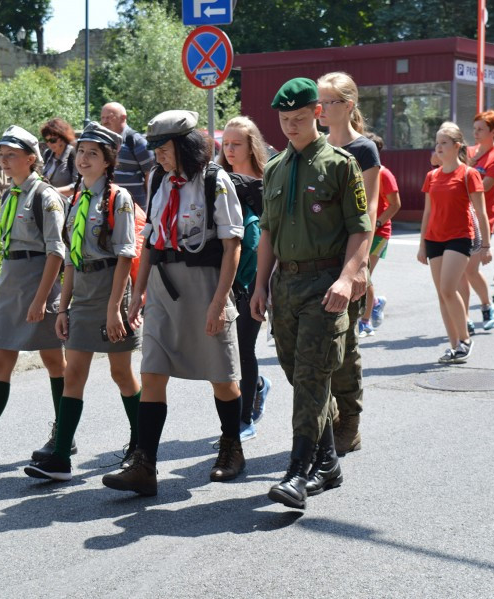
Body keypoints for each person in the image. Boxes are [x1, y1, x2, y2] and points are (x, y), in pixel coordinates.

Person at [102, 110, 245, 497]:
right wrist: (137, 295)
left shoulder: (216, 182)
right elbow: (150, 240)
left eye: (163, 149)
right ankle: (143, 463)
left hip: (205, 286)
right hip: (164, 290)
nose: (158, 157)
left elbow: (232, 246)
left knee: (223, 377)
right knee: (152, 373)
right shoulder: (159, 179)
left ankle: (232, 446)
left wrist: (218, 302)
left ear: (184, 146)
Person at [249, 78, 370, 509]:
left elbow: (361, 228)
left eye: (298, 119)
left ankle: (298, 473)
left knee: (312, 378)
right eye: (283, 120)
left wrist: (347, 277)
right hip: (285, 285)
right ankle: (328, 463)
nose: (290, 127)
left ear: (318, 113)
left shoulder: (340, 164)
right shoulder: (275, 167)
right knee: (295, 372)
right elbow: (267, 233)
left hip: (326, 284)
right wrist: (260, 285)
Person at [23, 122, 142, 481]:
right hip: (83, 294)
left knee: (122, 374)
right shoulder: (76, 198)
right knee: (73, 374)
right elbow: (72, 259)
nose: (85, 159)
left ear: (108, 161)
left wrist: (114, 309)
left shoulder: (117, 198)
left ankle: (141, 448)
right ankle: (61, 457)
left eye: (94, 153)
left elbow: (124, 255)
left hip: (109, 292)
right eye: (82, 152)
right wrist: (63, 308)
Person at [0, 125, 68, 463]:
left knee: (53, 361)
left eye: (11, 155)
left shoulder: (45, 197)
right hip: (11, 282)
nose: (4, 161)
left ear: (31, 159)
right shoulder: (10, 193)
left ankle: (64, 432)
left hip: (38, 282)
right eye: (1, 155)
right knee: (0, 361)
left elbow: (56, 252)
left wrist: (41, 299)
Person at [316, 71, 378, 456]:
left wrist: (361, 268)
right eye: (318, 102)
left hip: (348, 260)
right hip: (315, 260)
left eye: (329, 102)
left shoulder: (364, 150)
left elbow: (368, 211)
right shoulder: (317, 146)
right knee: (317, 348)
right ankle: (329, 416)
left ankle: (349, 424)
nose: (320, 109)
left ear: (348, 106)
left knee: (346, 346)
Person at [417, 122, 492, 364]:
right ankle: (454, 346)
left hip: (459, 237)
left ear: (457, 146)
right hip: (434, 238)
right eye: (437, 143)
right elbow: (427, 214)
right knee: (442, 294)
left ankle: (466, 339)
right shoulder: (432, 176)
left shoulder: (470, 174)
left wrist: (486, 246)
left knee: (449, 288)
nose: (438, 147)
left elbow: (481, 213)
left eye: (444, 143)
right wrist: (421, 245)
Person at [217, 116, 272, 442]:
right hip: (225, 278)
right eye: (226, 144)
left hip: (257, 278)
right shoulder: (218, 180)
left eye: (236, 144)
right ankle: (258, 388)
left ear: (252, 146)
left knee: (244, 347)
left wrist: (268, 283)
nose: (230, 150)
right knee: (230, 350)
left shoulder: (267, 183)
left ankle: (244, 418)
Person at [463, 110, 494, 332]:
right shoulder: (469, 151)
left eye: (481, 129)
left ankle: (487, 305)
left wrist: (468, 168)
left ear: (493, 132)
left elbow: (482, 187)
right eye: (474, 129)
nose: (476, 133)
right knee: (460, 270)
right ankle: (463, 317)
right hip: (460, 217)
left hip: (483, 219)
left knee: (470, 269)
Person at [358, 131, 401, 336]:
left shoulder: (384, 173)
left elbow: (395, 204)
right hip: (361, 229)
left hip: (379, 232)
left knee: (364, 274)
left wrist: (378, 222)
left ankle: (365, 321)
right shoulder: (357, 171)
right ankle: (375, 302)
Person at [100, 102, 156, 209]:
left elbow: (150, 174)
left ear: (123, 118)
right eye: (103, 118)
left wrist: (149, 206)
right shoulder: (103, 142)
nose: (105, 121)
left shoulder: (136, 141)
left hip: (134, 208)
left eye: (109, 117)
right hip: (109, 206)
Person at [40, 117, 77, 195]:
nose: (49, 144)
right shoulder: (47, 154)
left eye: (53, 140)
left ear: (62, 137)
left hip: (66, 203)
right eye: (46, 140)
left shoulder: (73, 154)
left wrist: (53, 192)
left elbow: (78, 185)